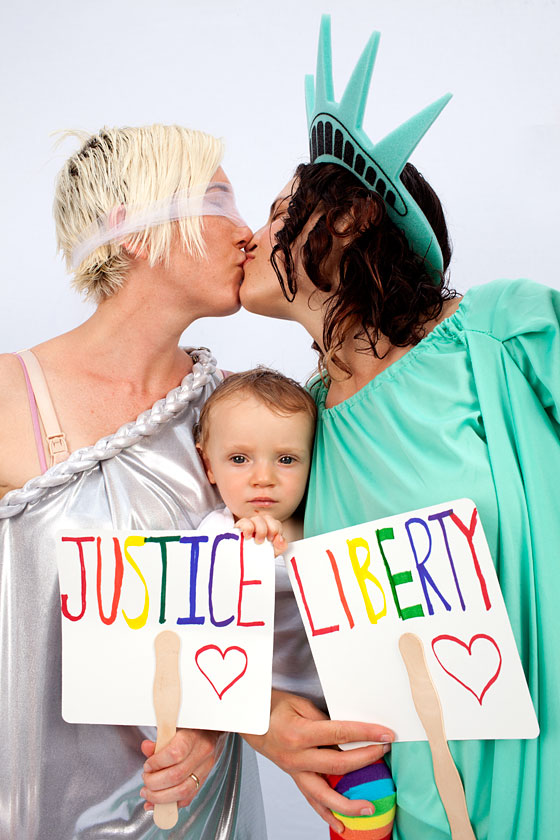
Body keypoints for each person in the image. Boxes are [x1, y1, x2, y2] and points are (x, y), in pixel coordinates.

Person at [239, 15, 560, 840]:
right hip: (413, 811)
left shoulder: (500, 331)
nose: (250, 235)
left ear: (347, 218)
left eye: (275, 213)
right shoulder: (300, 429)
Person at [0, 123, 265, 840]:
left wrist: (222, 720)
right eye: (218, 200)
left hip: (205, 813)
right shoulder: (8, 396)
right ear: (134, 230)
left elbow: (283, 610)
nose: (247, 231)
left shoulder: (243, 422)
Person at [195, 368, 396, 840]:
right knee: (362, 804)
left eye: (286, 459)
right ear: (209, 465)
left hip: (351, 694)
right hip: (283, 706)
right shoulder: (220, 533)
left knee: (375, 801)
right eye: (239, 459)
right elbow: (209, 607)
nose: (263, 478)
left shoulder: (324, 517)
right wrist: (248, 548)